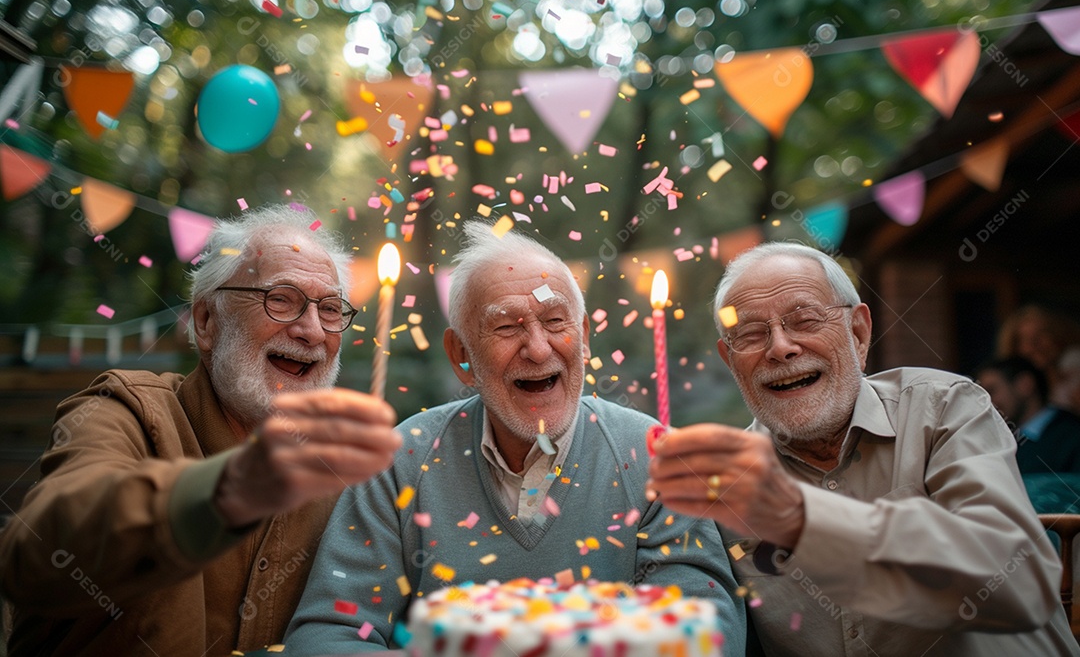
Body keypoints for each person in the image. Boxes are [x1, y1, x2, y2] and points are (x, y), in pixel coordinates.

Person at [283, 221, 746, 655]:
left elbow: (708, 629)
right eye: (507, 326)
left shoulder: (655, 457)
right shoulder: (401, 461)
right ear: (460, 354)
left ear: (583, 337)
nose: (539, 348)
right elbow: (328, 633)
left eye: (556, 322)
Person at [0, 205, 402, 656]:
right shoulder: (125, 408)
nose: (311, 331)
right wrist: (229, 490)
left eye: (330, 309)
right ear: (207, 322)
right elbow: (31, 559)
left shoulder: (355, 475)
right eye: (281, 299)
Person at [647, 241, 1077, 656]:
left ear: (858, 331)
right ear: (730, 360)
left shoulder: (945, 407)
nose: (780, 348)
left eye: (805, 320)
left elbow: (1020, 588)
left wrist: (800, 516)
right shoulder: (722, 488)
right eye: (751, 334)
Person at [975, 356, 1080, 475]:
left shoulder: (1073, 436)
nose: (987, 402)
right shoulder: (996, 440)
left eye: (991, 391)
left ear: (1025, 385)